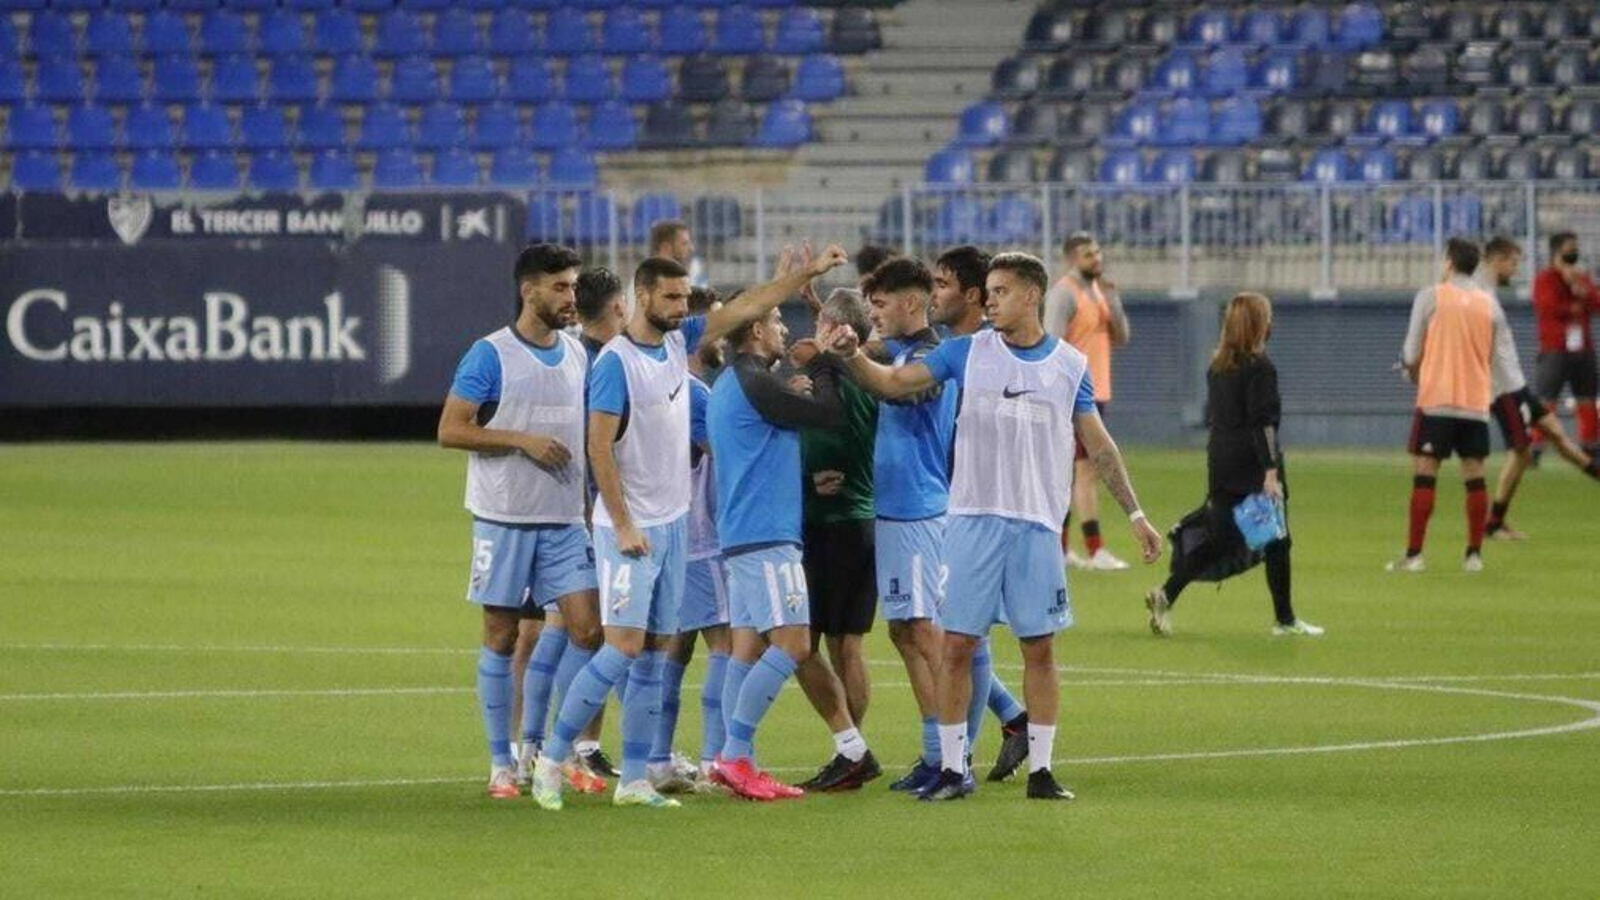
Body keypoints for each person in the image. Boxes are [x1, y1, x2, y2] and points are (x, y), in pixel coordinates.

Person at [821, 252, 1164, 802]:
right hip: (972, 520)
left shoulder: (1069, 366)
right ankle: (955, 769)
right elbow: (893, 383)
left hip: (1035, 526)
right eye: (990, 290)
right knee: (956, 645)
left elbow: (1099, 445)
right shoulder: (965, 352)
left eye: (1001, 291)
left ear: (1031, 295)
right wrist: (853, 358)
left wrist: (1138, 516)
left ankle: (1043, 771)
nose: (991, 300)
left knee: (1040, 649)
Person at [530, 245, 850, 810]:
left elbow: (747, 304)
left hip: (674, 526)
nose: (681, 308)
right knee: (621, 649)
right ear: (641, 296)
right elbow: (598, 447)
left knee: (656, 653)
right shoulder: (615, 364)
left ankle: (633, 779)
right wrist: (625, 523)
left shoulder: (678, 345)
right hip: (628, 530)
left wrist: (803, 274)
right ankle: (552, 760)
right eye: (670, 298)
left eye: (685, 298)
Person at [436, 243, 604, 800]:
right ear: (528, 290)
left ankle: (549, 749)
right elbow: (451, 429)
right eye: (560, 287)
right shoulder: (491, 355)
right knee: (502, 635)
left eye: (574, 287)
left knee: (589, 630)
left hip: (563, 521)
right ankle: (501, 763)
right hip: (504, 518)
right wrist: (520, 440)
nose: (570, 297)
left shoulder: (579, 354)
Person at [704, 245, 863, 801]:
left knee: (745, 651)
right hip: (768, 539)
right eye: (773, 319)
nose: (781, 327)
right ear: (752, 333)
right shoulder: (755, 381)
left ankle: (729, 759)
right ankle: (735, 756)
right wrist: (823, 362)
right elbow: (828, 414)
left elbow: (755, 453)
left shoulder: (735, 383)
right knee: (794, 645)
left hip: (746, 534)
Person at [1144, 293, 1322, 637]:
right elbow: (1263, 423)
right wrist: (1270, 471)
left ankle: (1166, 593)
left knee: (1220, 541)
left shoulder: (1218, 367)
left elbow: (1219, 417)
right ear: (1260, 325)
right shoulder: (1261, 368)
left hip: (1222, 463)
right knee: (1277, 542)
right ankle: (1285, 620)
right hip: (1254, 467)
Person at [514, 266, 627, 785]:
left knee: (568, 630)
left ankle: (543, 747)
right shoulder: (597, 362)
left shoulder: (579, 356)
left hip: (567, 511)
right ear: (620, 306)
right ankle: (560, 747)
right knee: (576, 632)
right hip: (581, 514)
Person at [924, 243, 1033, 781]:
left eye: (941, 285)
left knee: (958, 634)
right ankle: (1010, 719)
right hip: (957, 504)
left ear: (972, 296)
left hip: (986, 511)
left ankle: (957, 759)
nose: (932, 295)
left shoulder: (991, 353)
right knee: (962, 631)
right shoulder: (956, 351)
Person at [793, 288, 884, 792]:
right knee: (847, 645)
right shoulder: (870, 373)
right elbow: (852, 347)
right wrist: (820, 309)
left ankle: (850, 746)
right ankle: (852, 748)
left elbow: (830, 364)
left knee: (798, 644)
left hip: (825, 521)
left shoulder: (828, 376)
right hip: (860, 521)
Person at [646, 286, 732, 791]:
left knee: (674, 649)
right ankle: (714, 760)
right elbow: (717, 456)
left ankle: (657, 758)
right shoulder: (698, 394)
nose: (721, 334)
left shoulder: (670, 386)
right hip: (705, 536)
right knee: (723, 641)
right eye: (715, 325)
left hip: (675, 535)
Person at [1389, 238, 1505, 574]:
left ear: (1449, 262)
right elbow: (1492, 356)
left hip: (1437, 399)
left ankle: (1414, 555)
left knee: (1425, 473)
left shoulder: (1431, 296)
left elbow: (1411, 353)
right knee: (1475, 476)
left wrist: (1412, 371)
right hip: (1475, 402)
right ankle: (1473, 555)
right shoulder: (1489, 305)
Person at [1479, 238, 1600, 540]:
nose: (1516, 269)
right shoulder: (1480, 295)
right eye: (1514, 262)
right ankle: (1493, 523)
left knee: (1556, 433)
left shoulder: (1488, 292)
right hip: (1502, 388)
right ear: (1498, 260)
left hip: (1516, 384)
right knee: (1520, 453)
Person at [1045, 232, 1132, 572]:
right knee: (1081, 472)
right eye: (1087, 254)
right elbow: (1050, 343)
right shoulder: (1064, 294)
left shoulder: (1099, 290)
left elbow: (1121, 337)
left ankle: (1065, 549)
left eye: (1097, 252)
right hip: (1074, 394)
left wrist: (1114, 302)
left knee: (1079, 472)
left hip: (1097, 391)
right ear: (1071, 259)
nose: (1096, 258)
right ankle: (1091, 550)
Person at [1532, 231, 1600, 452]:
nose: (1574, 252)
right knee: (1546, 399)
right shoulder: (1544, 279)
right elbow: (1548, 307)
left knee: (1587, 398)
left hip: (1583, 349)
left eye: (1575, 248)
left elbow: (1596, 304)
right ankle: (1535, 446)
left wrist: (1583, 292)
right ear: (1556, 252)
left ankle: (1590, 444)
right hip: (1554, 348)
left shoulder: (1582, 278)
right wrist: (1575, 301)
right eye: (1570, 248)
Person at [650, 219, 705, 287]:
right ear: (665, 247)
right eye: (684, 244)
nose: (691, 249)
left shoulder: (689, 273)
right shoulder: (646, 282)